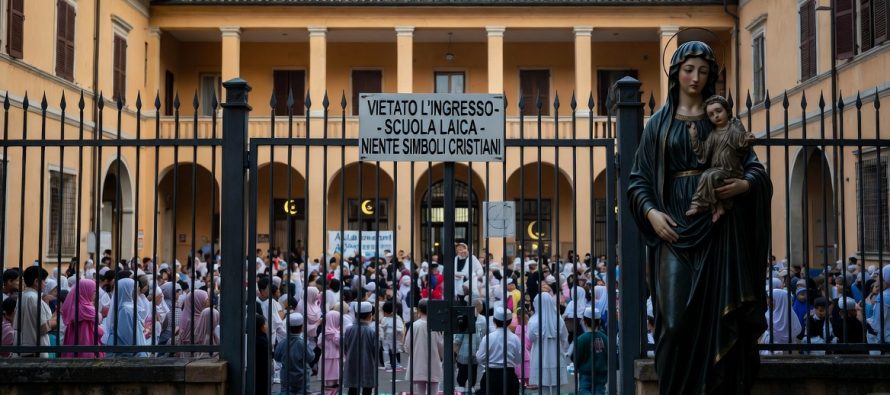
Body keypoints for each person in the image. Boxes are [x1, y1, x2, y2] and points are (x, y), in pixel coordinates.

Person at [627, 40, 771, 394]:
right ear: (676, 72)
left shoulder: (721, 119)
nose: (696, 77)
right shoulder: (658, 125)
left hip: (720, 230)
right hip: (673, 229)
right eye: (689, 69)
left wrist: (744, 186)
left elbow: (755, 169)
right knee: (675, 323)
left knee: (719, 319)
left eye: (704, 71)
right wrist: (652, 213)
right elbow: (638, 180)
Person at [685, 95, 755, 222]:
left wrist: (747, 138)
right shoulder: (713, 134)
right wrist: (694, 136)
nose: (716, 116)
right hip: (718, 169)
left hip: (731, 170)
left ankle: (702, 205)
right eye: (711, 114)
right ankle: (716, 207)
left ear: (727, 111)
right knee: (708, 176)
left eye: (718, 111)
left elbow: (741, 139)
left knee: (709, 176)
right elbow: (703, 152)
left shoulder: (733, 128)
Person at [528, 292, 569, 395]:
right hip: (556, 355)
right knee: (556, 387)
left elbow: (531, 338)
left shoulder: (533, 321)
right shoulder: (559, 320)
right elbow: (565, 339)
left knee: (542, 387)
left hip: (539, 356)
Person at [475, 307, 521, 395]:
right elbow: (518, 359)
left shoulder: (488, 338)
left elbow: (480, 357)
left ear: (494, 321)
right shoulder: (515, 338)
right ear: (510, 321)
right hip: (509, 376)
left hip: (491, 375)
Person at [405, 298, 444, 395]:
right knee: (434, 387)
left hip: (418, 360)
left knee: (420, 387)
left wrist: (412, 353)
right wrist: (441, 356)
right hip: (434, 360)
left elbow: (407, 345)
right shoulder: (436, 325)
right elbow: (441, 344)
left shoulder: (414, 325)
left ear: (419, 310)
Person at [14, 266, 55, 357]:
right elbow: (42, 328)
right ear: (36, 281)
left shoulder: (24, 295)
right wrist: (55, 321)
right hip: (34, 350)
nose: (46, 284)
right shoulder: (33, 298)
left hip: (25, 346)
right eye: (44, 281)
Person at [101, 278, 148, 356]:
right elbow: (130, 338)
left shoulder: (128, 307)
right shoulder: (125, 310)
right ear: (127, 291)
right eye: (134, 290)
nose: (137, 292)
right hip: (126, 354)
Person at [274, 312, 314, 395]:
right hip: (301, 378)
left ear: (287, 327)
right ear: (302, 327)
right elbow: (311, 357)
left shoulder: (282, 343)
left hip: (286, 378)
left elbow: (277, 357)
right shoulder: (302, 343)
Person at [60, 279, 103, 358]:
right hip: (86, 340)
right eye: (93, 291)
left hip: (74, 340)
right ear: (86, 291)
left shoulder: (75, 305)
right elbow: (98, 320)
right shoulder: (86, 308)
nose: (95, 294)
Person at [571, 307, 608, 395]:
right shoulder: (605, 338)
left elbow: (576, 358)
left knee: (584, 390)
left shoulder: (580, 339)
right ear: (599, 322)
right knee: (600, 391)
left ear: (584, 321)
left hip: (585, 373)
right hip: (601, 373)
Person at [343, 301, 377, 395]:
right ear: (370, 315)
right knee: (367, 387)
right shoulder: (372, 331)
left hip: (352, 361)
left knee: (353, 387)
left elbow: (345, 347)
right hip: (368, 362)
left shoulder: (349, 329)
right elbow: (376, 350)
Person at [454, 299, 486, 392]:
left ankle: (462, 385)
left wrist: (455, 348)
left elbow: (459, 336)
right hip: (475, 350)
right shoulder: (482, 319)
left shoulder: (465, 318)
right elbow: (483, 334)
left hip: (464, 351)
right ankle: (470, 386)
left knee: (463, 370)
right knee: (472, 369)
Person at [381, 301, 404, 372]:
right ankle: (394, 364)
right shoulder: (397, 318)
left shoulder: (385, 319)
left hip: (387, 338)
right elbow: (401, 330)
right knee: (394, 351)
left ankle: (389, 365)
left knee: (388, 351)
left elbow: (382, 327)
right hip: (394, 338)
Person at [322, 309, 342, 389]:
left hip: (326, 354)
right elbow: (339, 342)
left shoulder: (325, 331)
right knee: (335, 368)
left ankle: (327, 382)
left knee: (327, 368)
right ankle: (336, 381)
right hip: (336, 353)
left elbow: (319, 342)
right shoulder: (336, 332)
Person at [255, 314, 270, 395]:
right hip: (261, 372)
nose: (266, 326)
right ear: (260, 326)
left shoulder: (253, 337)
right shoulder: (261, 341)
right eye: (265, 324)